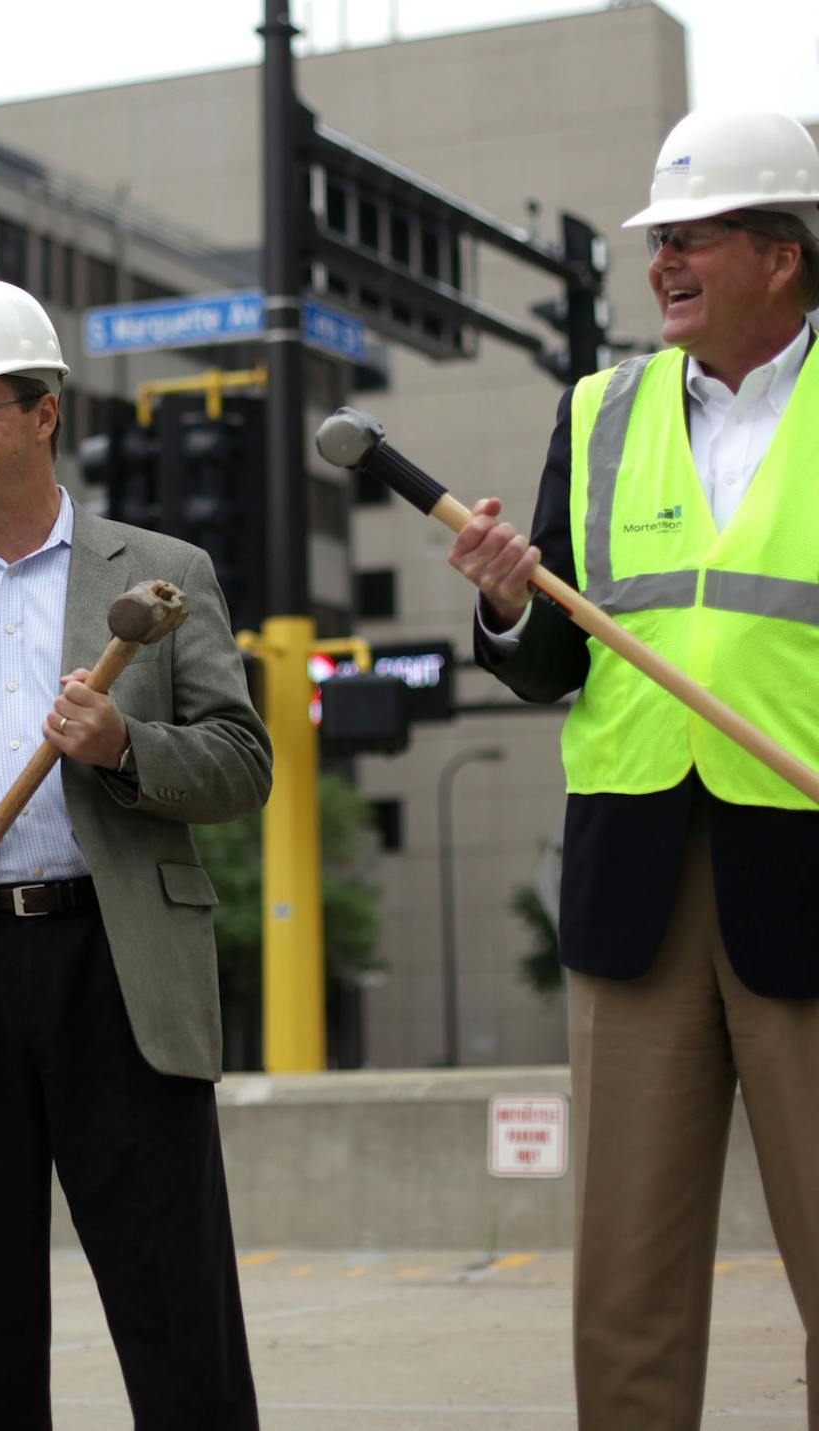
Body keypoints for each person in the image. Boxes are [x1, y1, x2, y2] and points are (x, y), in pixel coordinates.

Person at [0, 278, 270, 1429]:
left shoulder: (162, 573)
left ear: (42, 412)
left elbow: (240, 762)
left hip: (123, 975)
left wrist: (124, 743)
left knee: (178, 1316)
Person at [449, 108, 819, 1429]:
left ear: (783, 253)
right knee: (627, 1286)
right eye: (657, 240)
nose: (661, 262)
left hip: (810, 872)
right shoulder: (599, 412)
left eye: (690, 237)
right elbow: (552, 659)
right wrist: (505, 602)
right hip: (638, 886)